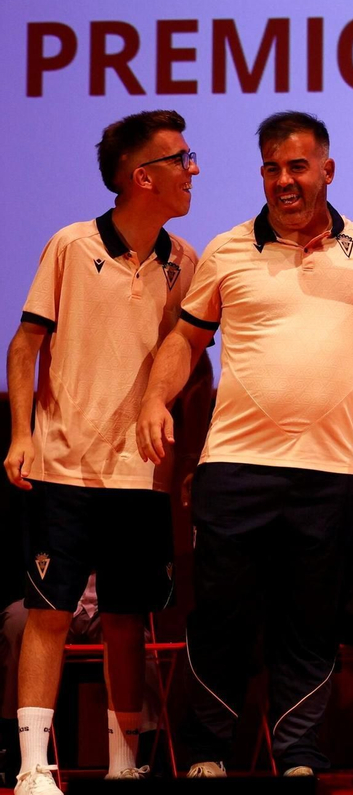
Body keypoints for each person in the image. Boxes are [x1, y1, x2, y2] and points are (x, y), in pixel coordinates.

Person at [136, 111, 353, 778]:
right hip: (235, 469)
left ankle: (297, 756)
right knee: (218, 617)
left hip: (328, 472)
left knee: (309, 621)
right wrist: (156, 399)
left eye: (297, 166)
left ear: (326, 170)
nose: (283, 180)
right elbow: (185, 340)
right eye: (271, 167)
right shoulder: (229, 248)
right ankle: (208, 753)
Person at [5, 111, 199, 795]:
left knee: (127, 619)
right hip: (63, 461)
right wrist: (22, 434)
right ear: (141, 177)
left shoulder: (187, 261)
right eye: (181, 159)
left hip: (142, 474)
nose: (194, 170)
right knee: (49, 612)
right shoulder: (71, 245)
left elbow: (188, 365)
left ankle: (123, 761)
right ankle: (34, 765)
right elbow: (25, 345)